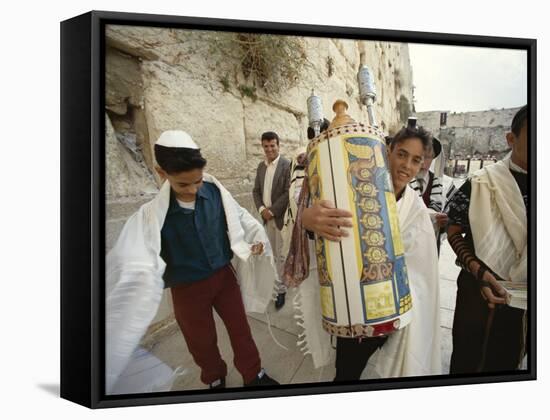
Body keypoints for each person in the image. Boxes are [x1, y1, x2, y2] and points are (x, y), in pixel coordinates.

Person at [106, 130, 279, 392]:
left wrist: (255, 238)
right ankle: (213, 376)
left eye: (197, 181)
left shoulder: (215, 191)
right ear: (161, 173)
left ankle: (253, 373)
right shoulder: (151, 216)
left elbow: (240, 216)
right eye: (183, 185)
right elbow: (134, 256)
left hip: (224, 278)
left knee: (240, 329)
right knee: (200, 340)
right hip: (186, 289)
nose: (193, 190)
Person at [296, 125, 441, 380]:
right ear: (388, 152)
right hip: (350, 305)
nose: (406, 165)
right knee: (347, 372)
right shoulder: (354, 188)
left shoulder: (416, 209)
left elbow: (421, 272)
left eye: (416, 160)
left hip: (391, 310)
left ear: (422, 165)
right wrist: (307, 220)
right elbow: (328, 233)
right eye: (402, 154)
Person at [446, 105, 528, 373]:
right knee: (468, 360)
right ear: (511, 138)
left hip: (524, 299)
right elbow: (453, 228)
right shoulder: (482, 181)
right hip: (476, 293)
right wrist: (479, 271)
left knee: (507, 360)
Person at [253, 131, 291, 309]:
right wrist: (262, 209)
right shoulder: (261, 167)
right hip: (265, 218)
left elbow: (287, 192)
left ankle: (281, 291)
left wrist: (272, 211)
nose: (269, 149)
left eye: (272, 146)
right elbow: (256, 191)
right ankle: (275, 285)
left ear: (278, 145)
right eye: (266, 146)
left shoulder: (286, 165)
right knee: (271, 255)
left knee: (281, 256)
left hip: (279, 218)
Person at [409, 136, 448, 252]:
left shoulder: (443, 186)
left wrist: (444, 223)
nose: (422, 163)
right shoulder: (400, 181)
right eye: (418, 157)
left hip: (430, 247)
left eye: (427, 157)